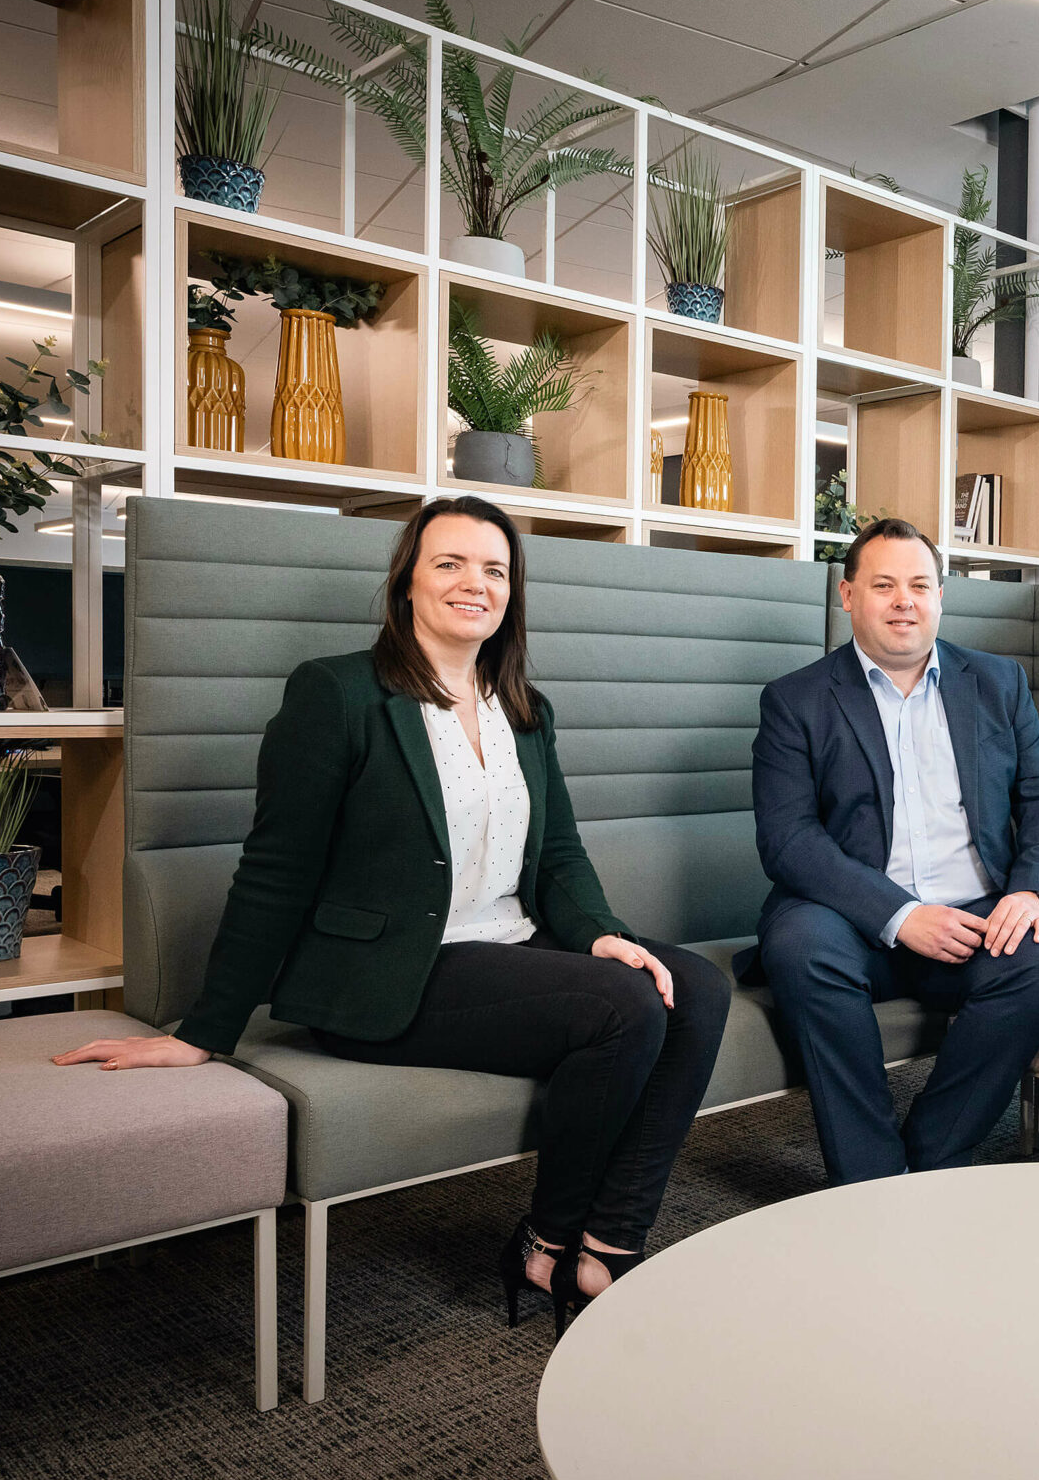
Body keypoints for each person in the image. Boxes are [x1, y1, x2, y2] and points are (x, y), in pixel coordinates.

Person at [55, 495, 733, 1331]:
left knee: (695, 989)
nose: (473, 583)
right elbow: (275, 870)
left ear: (512, 592)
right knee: (622, 1006)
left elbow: (559, 855)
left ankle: (608, 1247)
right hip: (388, 974)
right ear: (407, 581)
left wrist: (601, 934)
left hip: (508, 946)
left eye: (494, 569)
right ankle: (545, 1244)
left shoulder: (523, 708)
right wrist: (204, 1029)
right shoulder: (336, 693)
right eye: (449, 562)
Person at [751, 517, 1039, 1184]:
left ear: (939, 596)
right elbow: (787, 839)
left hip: (973, 911)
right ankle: (870, 1180)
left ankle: (932, 1157)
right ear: (848, 595)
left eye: (920, 585)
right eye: (884, 584)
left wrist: (1031, 890)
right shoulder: (796, 699)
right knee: (799, 946)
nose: (905, 600)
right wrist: (900, 914)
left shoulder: (998, 682)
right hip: (850, 918)